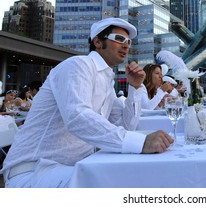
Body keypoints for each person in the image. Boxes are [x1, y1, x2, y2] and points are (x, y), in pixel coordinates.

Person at [1, 17, 173, 188]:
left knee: (136, 176)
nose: (126, 45)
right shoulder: (77, 65)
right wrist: (140, 142)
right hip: (33, 172)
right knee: (123, 183)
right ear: (97, 42)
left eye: (128, 41)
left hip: (74, 167)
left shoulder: (106, 81)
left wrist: (135, 88)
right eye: (119, 39)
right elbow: (78, 117)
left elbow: (126, 126)